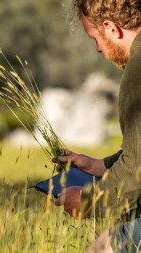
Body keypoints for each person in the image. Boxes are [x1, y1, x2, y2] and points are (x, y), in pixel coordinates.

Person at [53, 0, 141, 252]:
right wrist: (102, 165)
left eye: (95, 38)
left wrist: (88, 202)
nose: (98, 49)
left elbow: (138, 168)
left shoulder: (138, 71)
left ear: (112, 28)